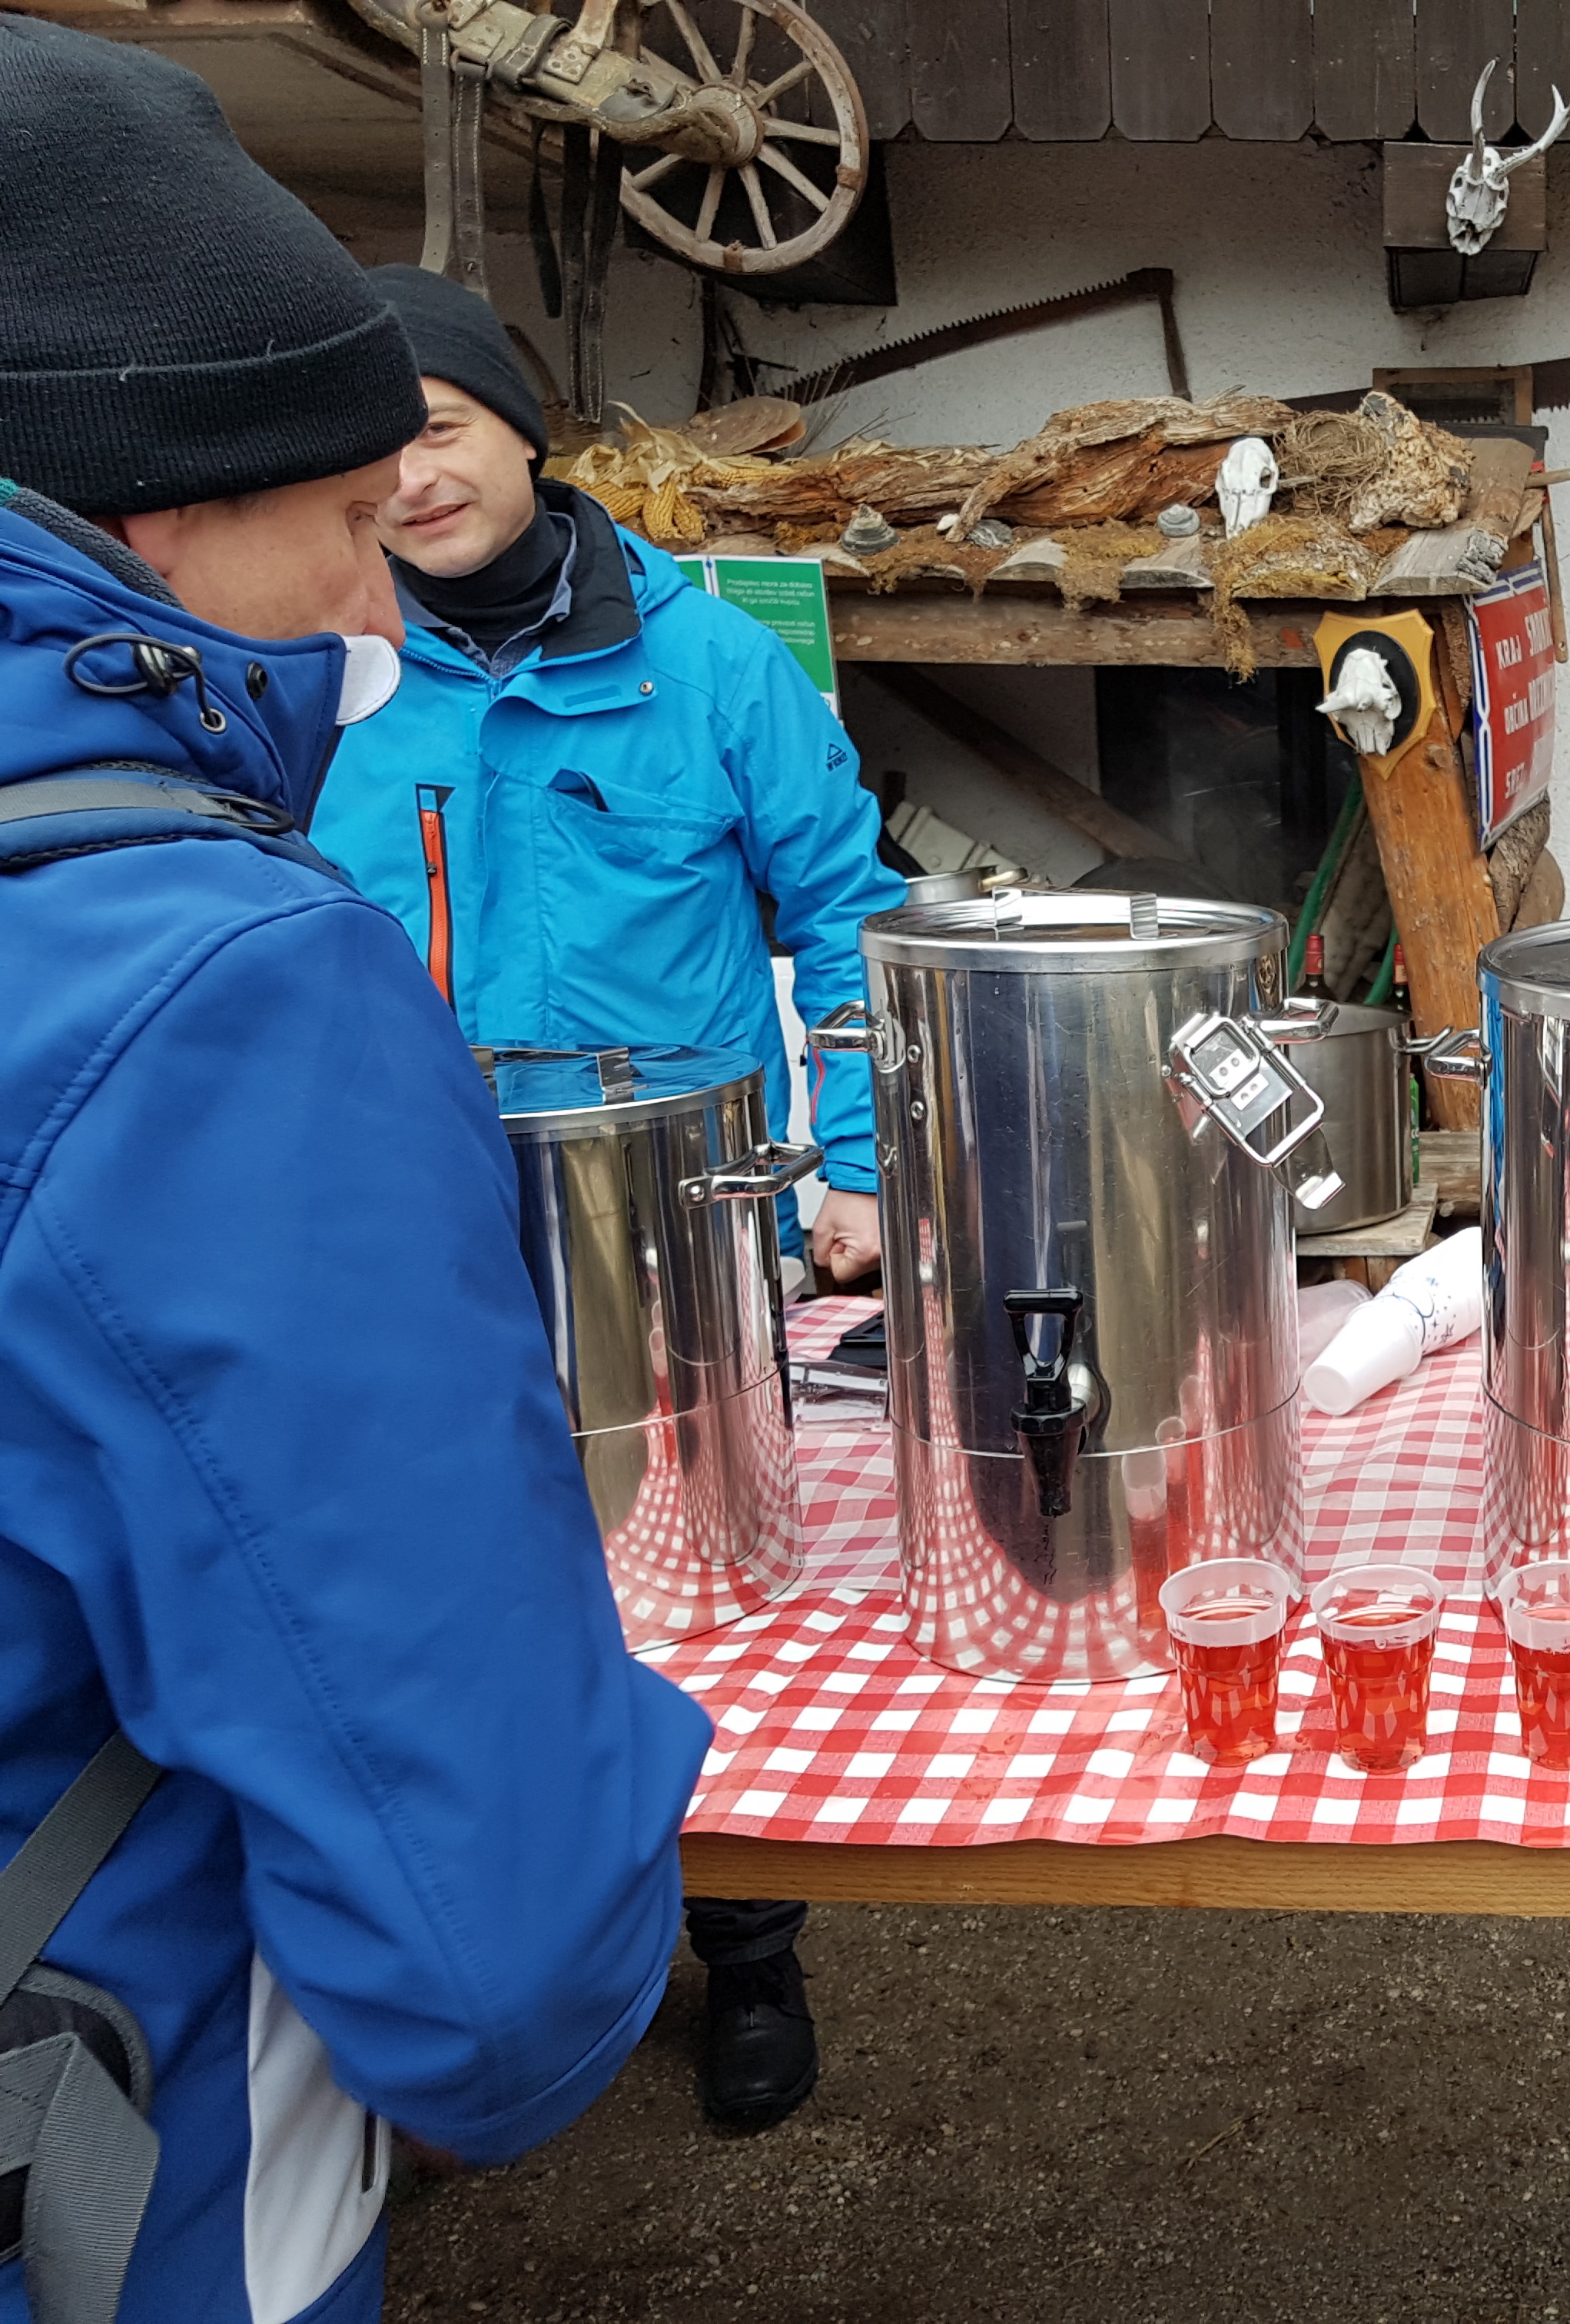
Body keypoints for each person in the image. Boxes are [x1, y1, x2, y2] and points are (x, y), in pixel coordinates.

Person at [0, 23, 714, 2322]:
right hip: (105, 2162)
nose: (379, 616)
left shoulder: (699, 667)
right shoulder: (209, 985)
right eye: (339, 527)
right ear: (155, 513)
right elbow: (495, 1961)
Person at [308, 267, 904, 2133]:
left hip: (672, 1215)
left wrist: (862, 1161)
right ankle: (515, 1965)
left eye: (439, 427)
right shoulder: (324, 668)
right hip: (410, 1212)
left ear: (522, 427)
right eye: (371, 450)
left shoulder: (708, 663)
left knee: (692, 1589)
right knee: (443, 1596)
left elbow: (850, 913)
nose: (411, 479)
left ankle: (748, 1942)